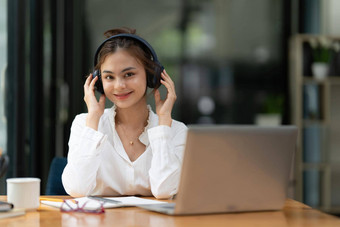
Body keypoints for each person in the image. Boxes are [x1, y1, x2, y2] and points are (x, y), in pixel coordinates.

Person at [62, 27, 187, 199]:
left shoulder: (176, 131)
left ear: (151, 76)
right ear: (98, 83)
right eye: (109, 77)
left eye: (128, 74)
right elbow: (77, 189)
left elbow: (164, 190)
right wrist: (93, 120)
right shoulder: (84, 124)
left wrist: (164, 123)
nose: (119, 85)